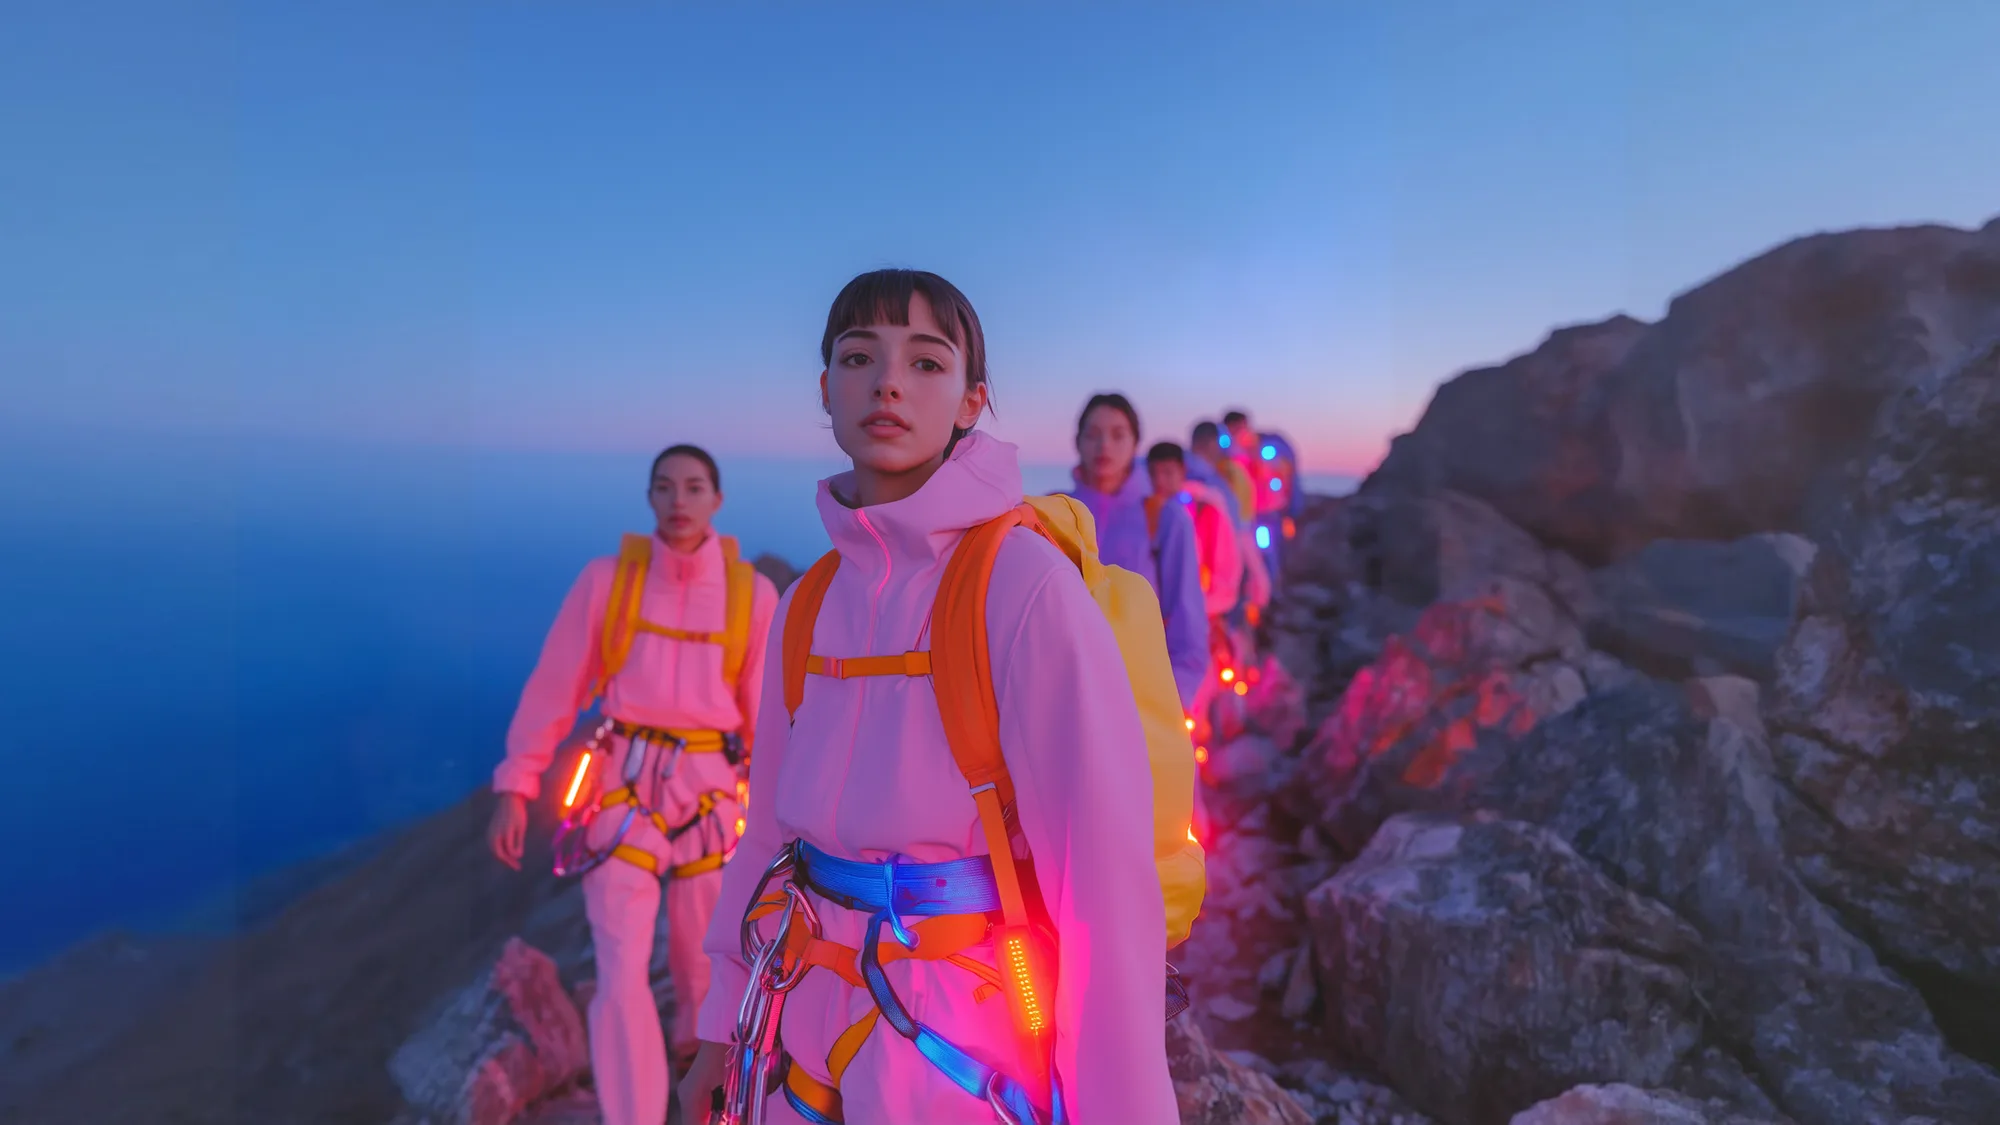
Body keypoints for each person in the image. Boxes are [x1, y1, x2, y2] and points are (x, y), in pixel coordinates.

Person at [679, 269, 1177, 1124]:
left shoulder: (1022, 586)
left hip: (953, 1052)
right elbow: (766, 833)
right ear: (826, 389)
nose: (889, 382)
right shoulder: (807, 603)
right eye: (859, 356)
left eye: (927, 361)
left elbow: (1103, 889)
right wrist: (722, 1031)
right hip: (793, 1028)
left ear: (972, 401)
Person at [488, 445, 780, 1125]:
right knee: (620, 972)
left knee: (703, 974)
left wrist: (785, 822)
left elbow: (769, 719)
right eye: (665, 487)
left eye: (694, 487)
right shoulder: (607, 582)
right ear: (650, 498)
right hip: (624, 791)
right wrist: (517, 781)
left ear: (717, 500)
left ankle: (704, 1097)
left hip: (711, 796)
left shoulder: (751, 596)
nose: (679, 501)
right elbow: (555, 687)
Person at [1066, 393, 1210, 709]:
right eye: (1093, 434)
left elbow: (1188, 623)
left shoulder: (1166, 518)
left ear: (1135, 444)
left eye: (1118, 435)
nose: (1104, 446)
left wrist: (1171, 706)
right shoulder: (1054, 514)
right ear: (1077, 442)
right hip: (1067, 698)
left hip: (1141, 700)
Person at [1190, 420, 1271, 627]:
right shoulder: (1218, 483)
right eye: (1222, 442)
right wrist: (1258, 575)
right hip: (1213, 582)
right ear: (1209, 443)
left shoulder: (1163, 472)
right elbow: (1239, 532)